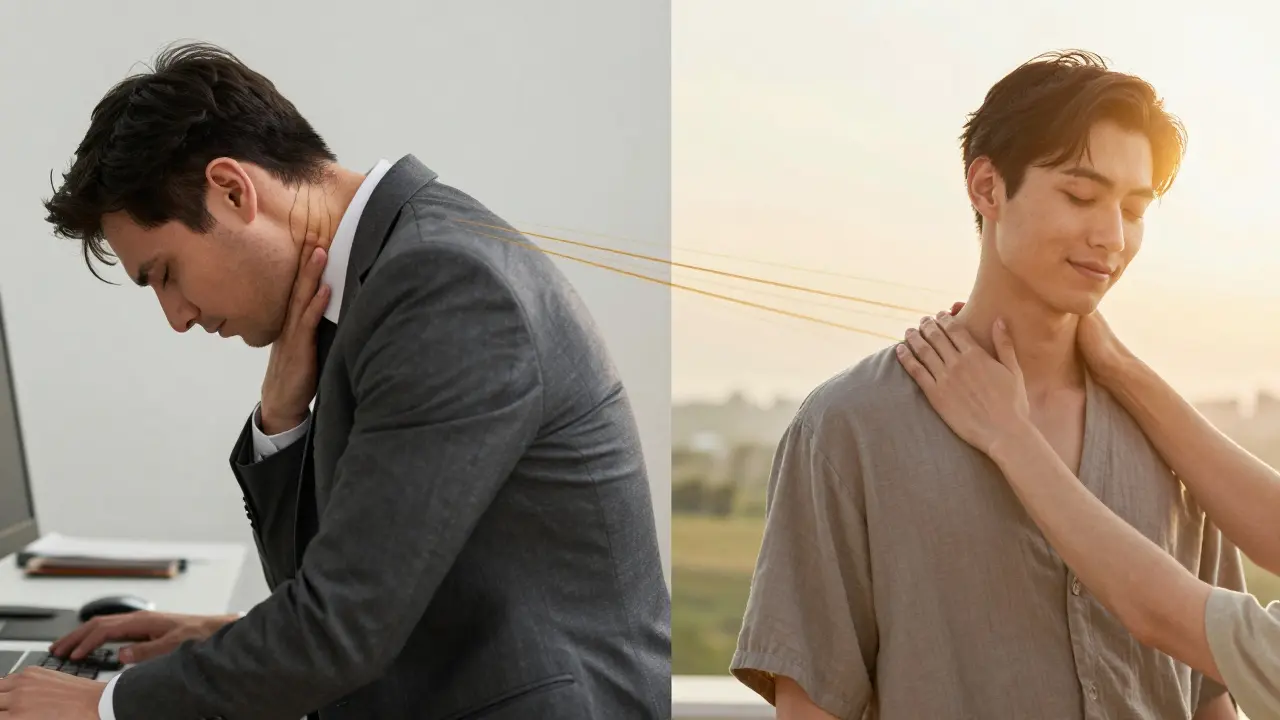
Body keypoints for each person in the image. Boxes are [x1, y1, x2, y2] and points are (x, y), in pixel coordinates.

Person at [0, 41, 671, 720]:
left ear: (233, 191)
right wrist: (282, 420)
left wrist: (106, 707)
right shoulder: (391, 276)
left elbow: (341, 629)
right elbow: (345, 589)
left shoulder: (441, 284)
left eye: (165, 274)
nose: (177, 317)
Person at [730, 49, 1244, 719]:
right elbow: (811, 707)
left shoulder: (1177, 446)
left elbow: (1212, 698)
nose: (1111, 236)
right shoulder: (848, 428)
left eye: (1136, 209)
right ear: (987, 189)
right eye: (1080, 195)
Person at [899, 307, 1280, 720]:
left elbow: (1163, 615)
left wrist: (1008, 435)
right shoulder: (853, 424)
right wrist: (1119, 366)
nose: (1110, 240)